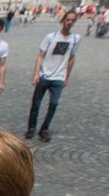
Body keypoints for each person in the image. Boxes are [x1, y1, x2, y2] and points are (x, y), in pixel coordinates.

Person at [24, 11, 80, 142]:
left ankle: (44, 129)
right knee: (36, 103)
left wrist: (67, 76)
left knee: (54, 103)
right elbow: (40, 56)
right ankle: (31, 128)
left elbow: (72, 58)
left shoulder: (75, 39)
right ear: (63, 20)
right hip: (44, 75)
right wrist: (36, 74)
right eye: (68, 20)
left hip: (59, 77)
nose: (70, 22)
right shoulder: (51, 36)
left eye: (72, 20)